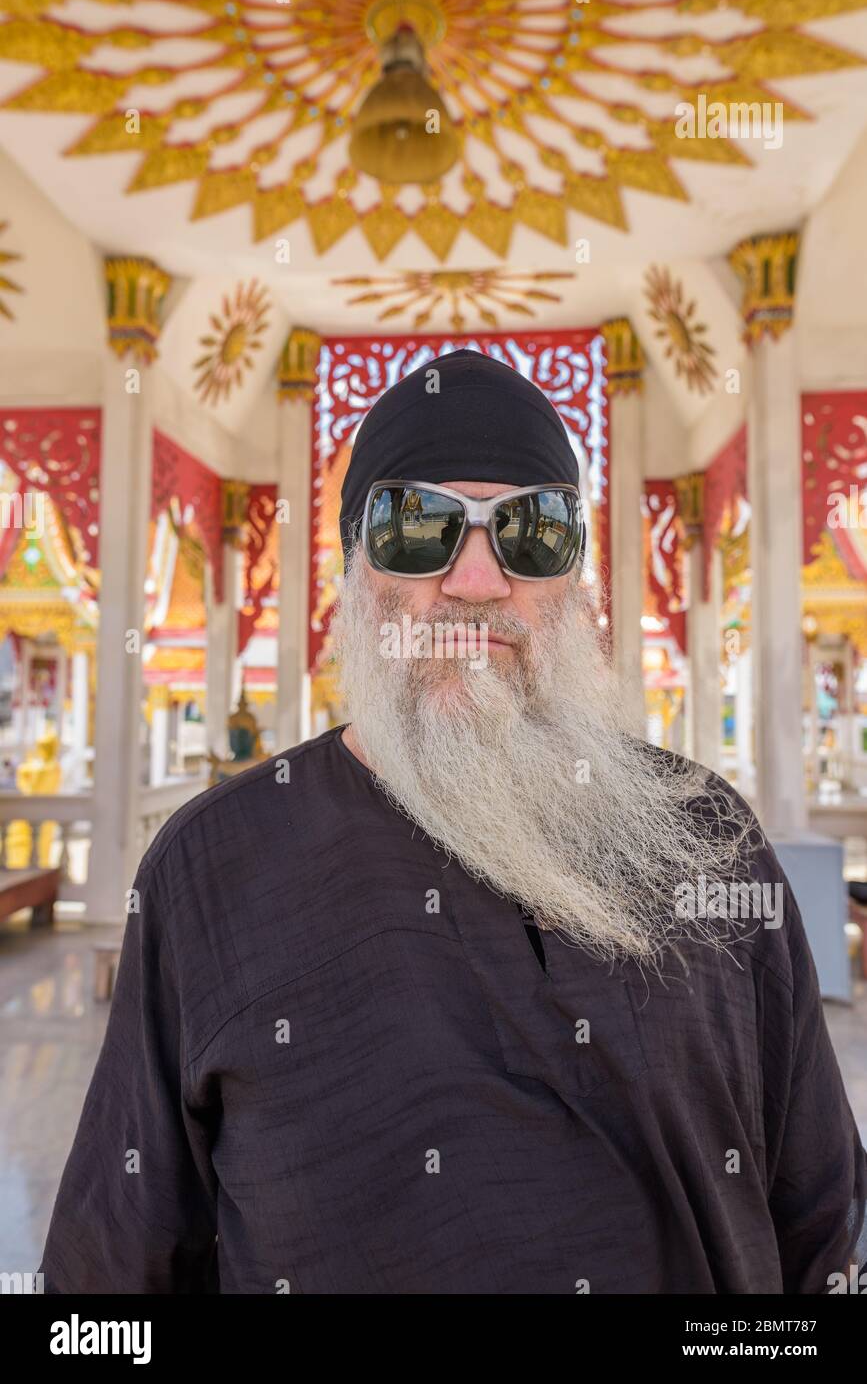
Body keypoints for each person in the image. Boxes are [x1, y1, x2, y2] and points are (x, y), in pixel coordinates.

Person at [39, 350, 867, 1294]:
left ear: (577, 583)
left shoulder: (704, 836)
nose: (476, 580)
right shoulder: (213, 868)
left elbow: (818, 1221)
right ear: (353, 569)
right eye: (417, 528)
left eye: (532, 531)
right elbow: (111, 1279)